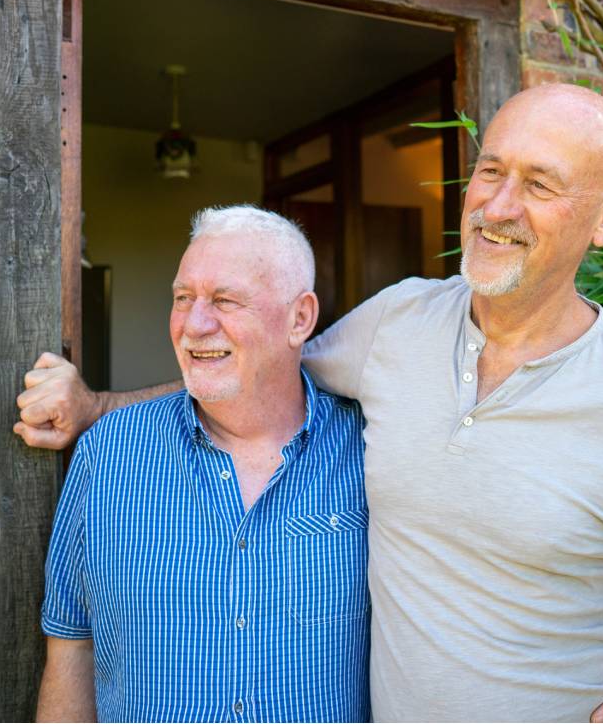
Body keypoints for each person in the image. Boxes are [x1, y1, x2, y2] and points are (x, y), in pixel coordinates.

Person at [22, 84, 603, 722]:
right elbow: (255, 362)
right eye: (491, 171)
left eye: (539, 185)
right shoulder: (399, 323)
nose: (497, 206)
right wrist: (97, 407)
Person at [36, 207, 370, 722]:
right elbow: (72, 645)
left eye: (225, 300)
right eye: (182, 298)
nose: (194, 325)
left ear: (299, 318)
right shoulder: (107, 453)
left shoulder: (367, 450)